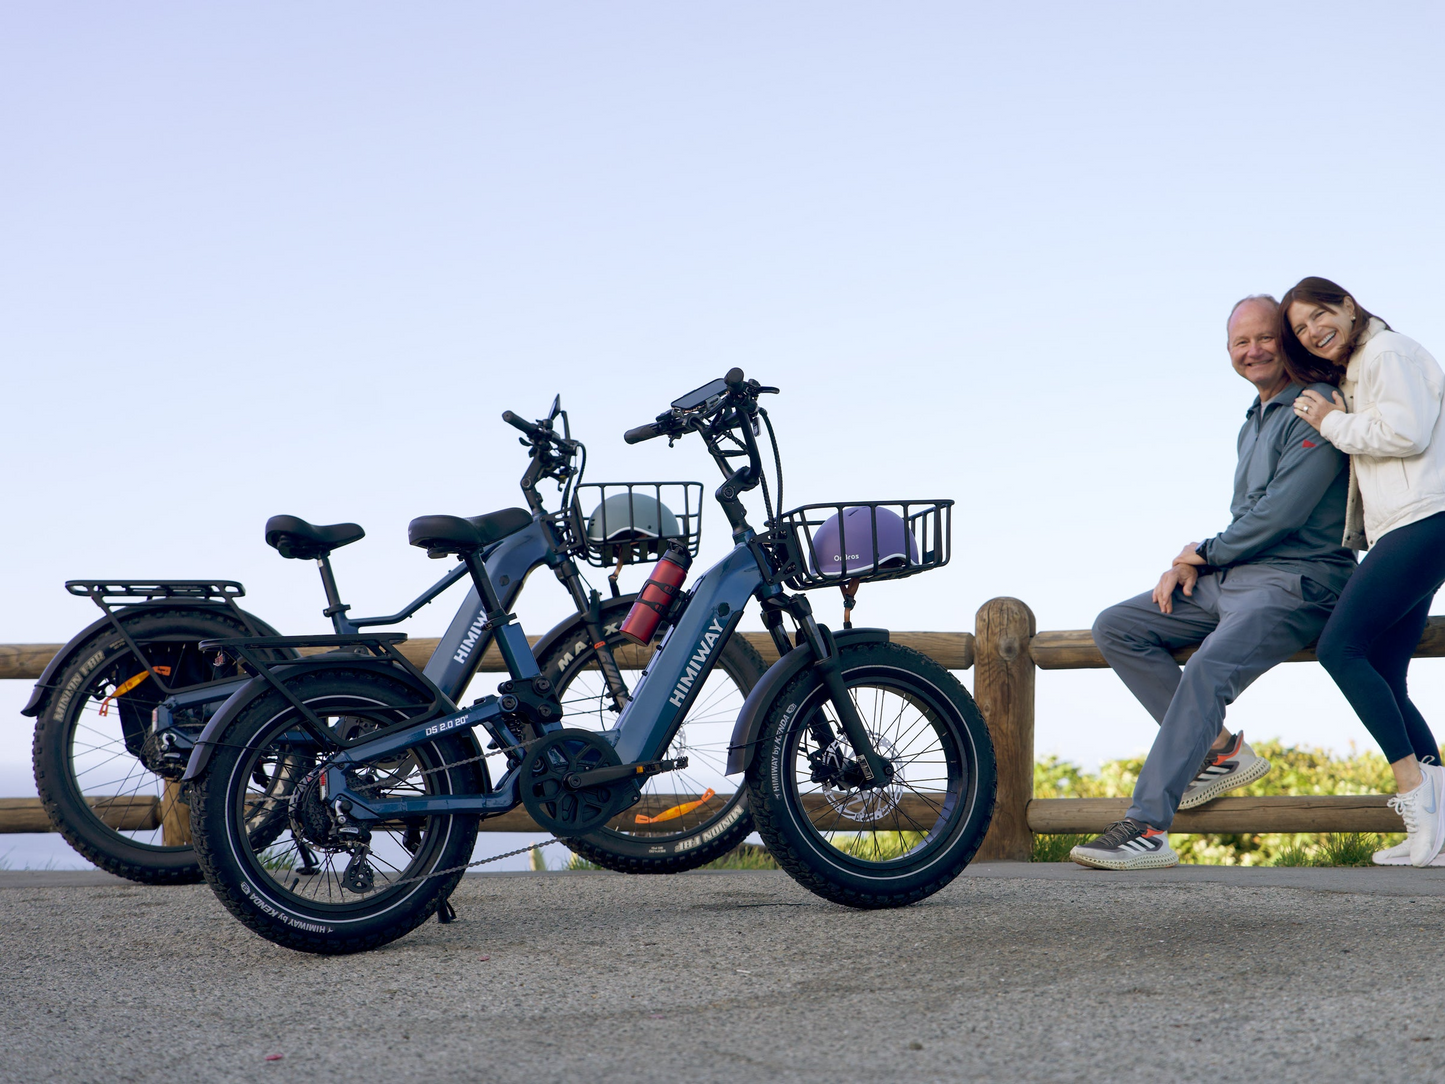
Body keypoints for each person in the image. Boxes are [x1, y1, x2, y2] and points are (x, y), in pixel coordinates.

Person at [1071, 294, 1356, 870]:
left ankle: (1148, 826)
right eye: (1239, 343)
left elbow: (1282, 514)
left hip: (1300, 582)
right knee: (1119, 626)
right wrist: (1192, 564)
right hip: (1239, 574)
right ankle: (1220, 751)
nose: (1252, 351)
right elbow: (1248, 517)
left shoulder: (1315, 404)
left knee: (1207, 668)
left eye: (1264, 338)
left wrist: (1202, 552)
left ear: (1288, 340)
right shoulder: (1252, 421)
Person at [1284, 276, 1445, 867]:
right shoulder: (1359, 367)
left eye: (1320, 315)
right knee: (1385, 671)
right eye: (1301, 329)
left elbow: (1406, 432)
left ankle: (1414, 792)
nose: (1313, 331)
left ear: (1349, 307)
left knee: (1340, 649)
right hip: (1413, 525)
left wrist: (1330, 423)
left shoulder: (1388, 352)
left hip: (1424, 519)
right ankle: (1440, 828)